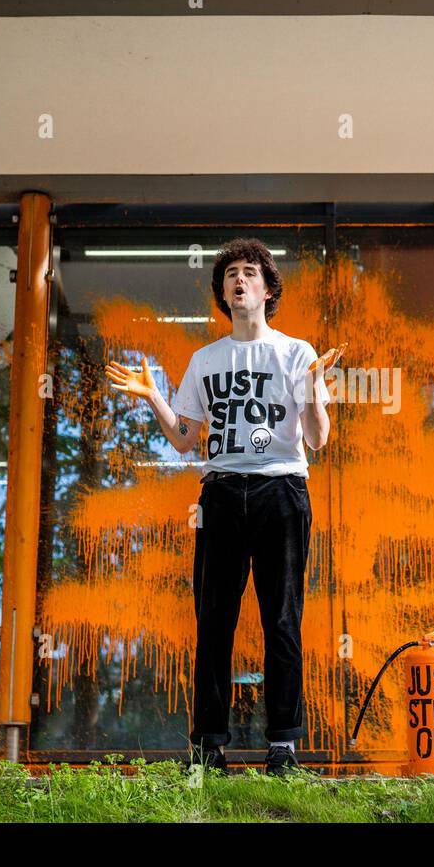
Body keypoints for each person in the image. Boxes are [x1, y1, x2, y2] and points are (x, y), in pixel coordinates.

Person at [106, 237, 342, 776]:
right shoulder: (205, 359)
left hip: (281, 488)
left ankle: (282, 745)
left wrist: (313, 391)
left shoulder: (297, 353)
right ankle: (208, 746)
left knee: (282, 618)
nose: (240, 280)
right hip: (220, 491)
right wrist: (155, 397)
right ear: (223, 291)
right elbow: (186, 440)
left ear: (267, 288)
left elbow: (318, 439)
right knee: (214, 620)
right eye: (231, 273)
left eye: (250, 273)